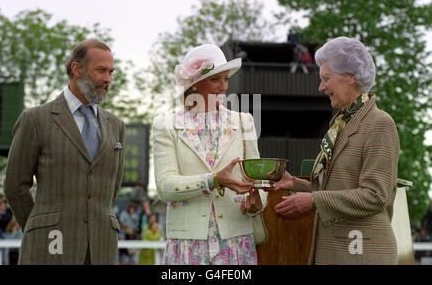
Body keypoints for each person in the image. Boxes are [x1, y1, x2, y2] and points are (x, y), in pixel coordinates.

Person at [269, 37, 400, 265]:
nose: (321, 87)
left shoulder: (379, 123)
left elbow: (375, 195)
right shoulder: (339, 124)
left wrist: (312, 201)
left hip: (360, 255)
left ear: (350, 76)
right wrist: (295, 184)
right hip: (335, 252)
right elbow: (330, 188)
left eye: (326, 78)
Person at [4, 39, 126, 265]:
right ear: (77, 69)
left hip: (102, 249)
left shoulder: (116, 126)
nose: (108, 79)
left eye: (111, 72)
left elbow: (112, 189)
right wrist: (38, 226)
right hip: (48, 248)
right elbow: (14, 185)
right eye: (101, 70)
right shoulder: (35, 119)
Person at [153, 44, 267, 265]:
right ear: (194, 85)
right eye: (216, 79)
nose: (224, 87)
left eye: (226, 79)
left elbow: (258, 178)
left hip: (236, 242)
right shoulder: (166, 125)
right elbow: (165, 186)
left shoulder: (243, 122)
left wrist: (256, 201)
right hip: (188, 246)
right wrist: (213, 180)